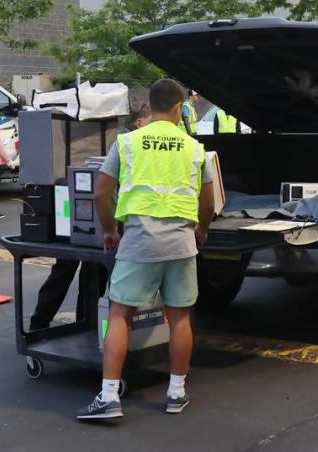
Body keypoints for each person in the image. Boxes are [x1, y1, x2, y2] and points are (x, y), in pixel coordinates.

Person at [76, 79, 215, 419]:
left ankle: (109, 396)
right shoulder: (194, 147)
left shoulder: (126, 143)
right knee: (179, 316)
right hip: (181, 243)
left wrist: (110, 231)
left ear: (150, 107)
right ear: (179, 108)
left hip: (138, 241)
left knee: (120, 314)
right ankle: (176, 393)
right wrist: (202, 229)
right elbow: (208, 200)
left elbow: (100, 192)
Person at [28, 105, 153, 332]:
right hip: (104, 219)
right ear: (140, 123)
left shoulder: (122, 141)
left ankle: (61, 323)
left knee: (78, 271)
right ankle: (83, 324)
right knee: (86, 272)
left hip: (87, 217)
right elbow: (105, 191)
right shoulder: (127, 144)